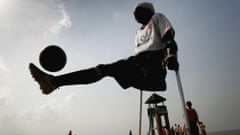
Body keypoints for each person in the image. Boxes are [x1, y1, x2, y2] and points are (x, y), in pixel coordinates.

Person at [29, 2, 178, 95]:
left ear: (148, 11)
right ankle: (53, 82)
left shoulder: (157, 17)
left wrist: (171, 56)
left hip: (153, 72)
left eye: (138, 11)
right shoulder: (138, 32)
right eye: (134, 14)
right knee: (104, 69)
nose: (135, 15)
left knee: (107, 69)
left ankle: (53, 82)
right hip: (139, 67)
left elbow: (169, 38)